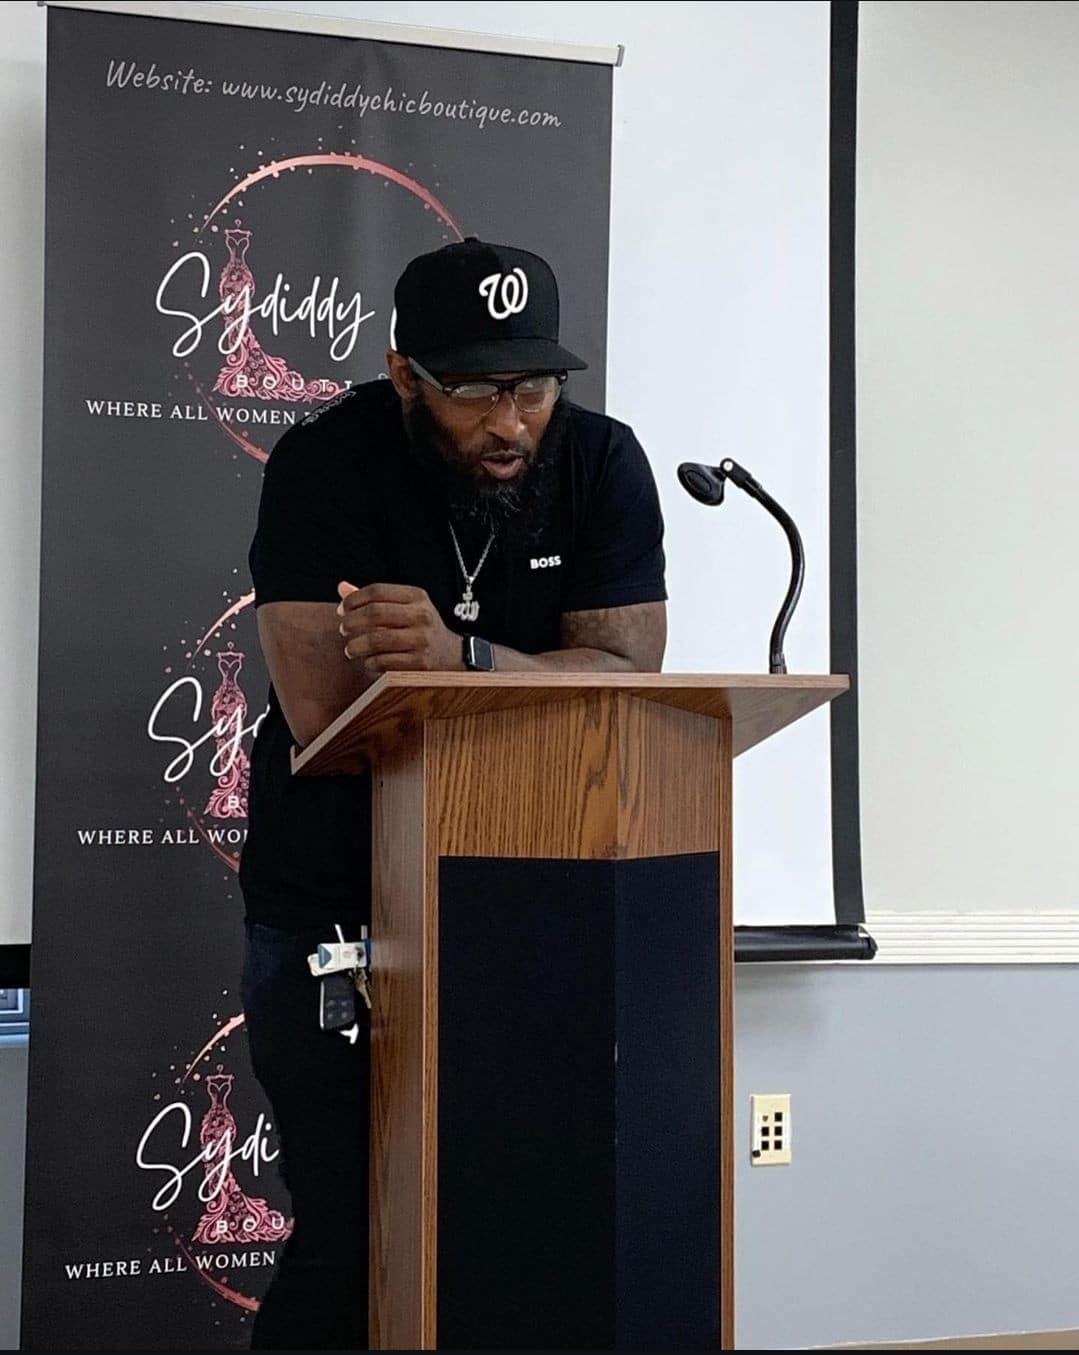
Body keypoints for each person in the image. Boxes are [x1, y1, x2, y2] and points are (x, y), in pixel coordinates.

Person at [239, 237, 668, 1350]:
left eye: (530, 387)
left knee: (517, 1220)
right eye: (474, 390)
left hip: (529, 903)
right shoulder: (323, 465)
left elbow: (625, 678)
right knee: (348, 1236)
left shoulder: (602, 464)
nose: (508, 422)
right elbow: (320, 715)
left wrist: (458, 658)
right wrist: (504, 674)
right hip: (337, 911)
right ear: (403, 374)